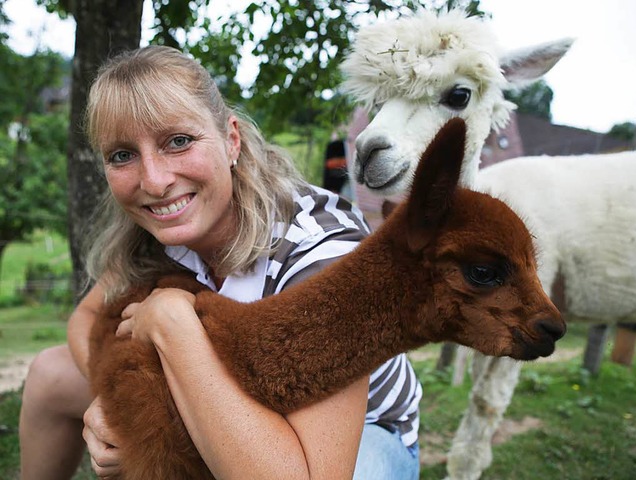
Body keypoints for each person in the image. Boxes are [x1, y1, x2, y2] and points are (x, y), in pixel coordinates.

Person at [18, 45, 422, 480]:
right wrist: (116, 402)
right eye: (122, 155)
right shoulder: (155, 226)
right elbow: (88, 315)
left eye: (179, 141)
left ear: (232, 139)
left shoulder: (321, 249)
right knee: (51, 373)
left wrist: (173, 323)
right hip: (229, 384)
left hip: (359, 432)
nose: (154, 181)